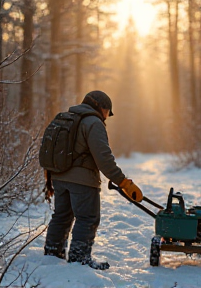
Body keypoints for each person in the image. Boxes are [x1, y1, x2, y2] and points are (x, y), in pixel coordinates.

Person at [43, 90, 143, 270]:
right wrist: (123, 182)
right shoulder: (93, 123)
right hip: (82, 181)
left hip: (58, 177)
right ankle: (79, 259)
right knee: (87, 218)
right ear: (100, 107)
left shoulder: (66, 118)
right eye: (107, 112)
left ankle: (52, 254)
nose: (107, 117)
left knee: (61, 216)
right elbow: (103, 158)